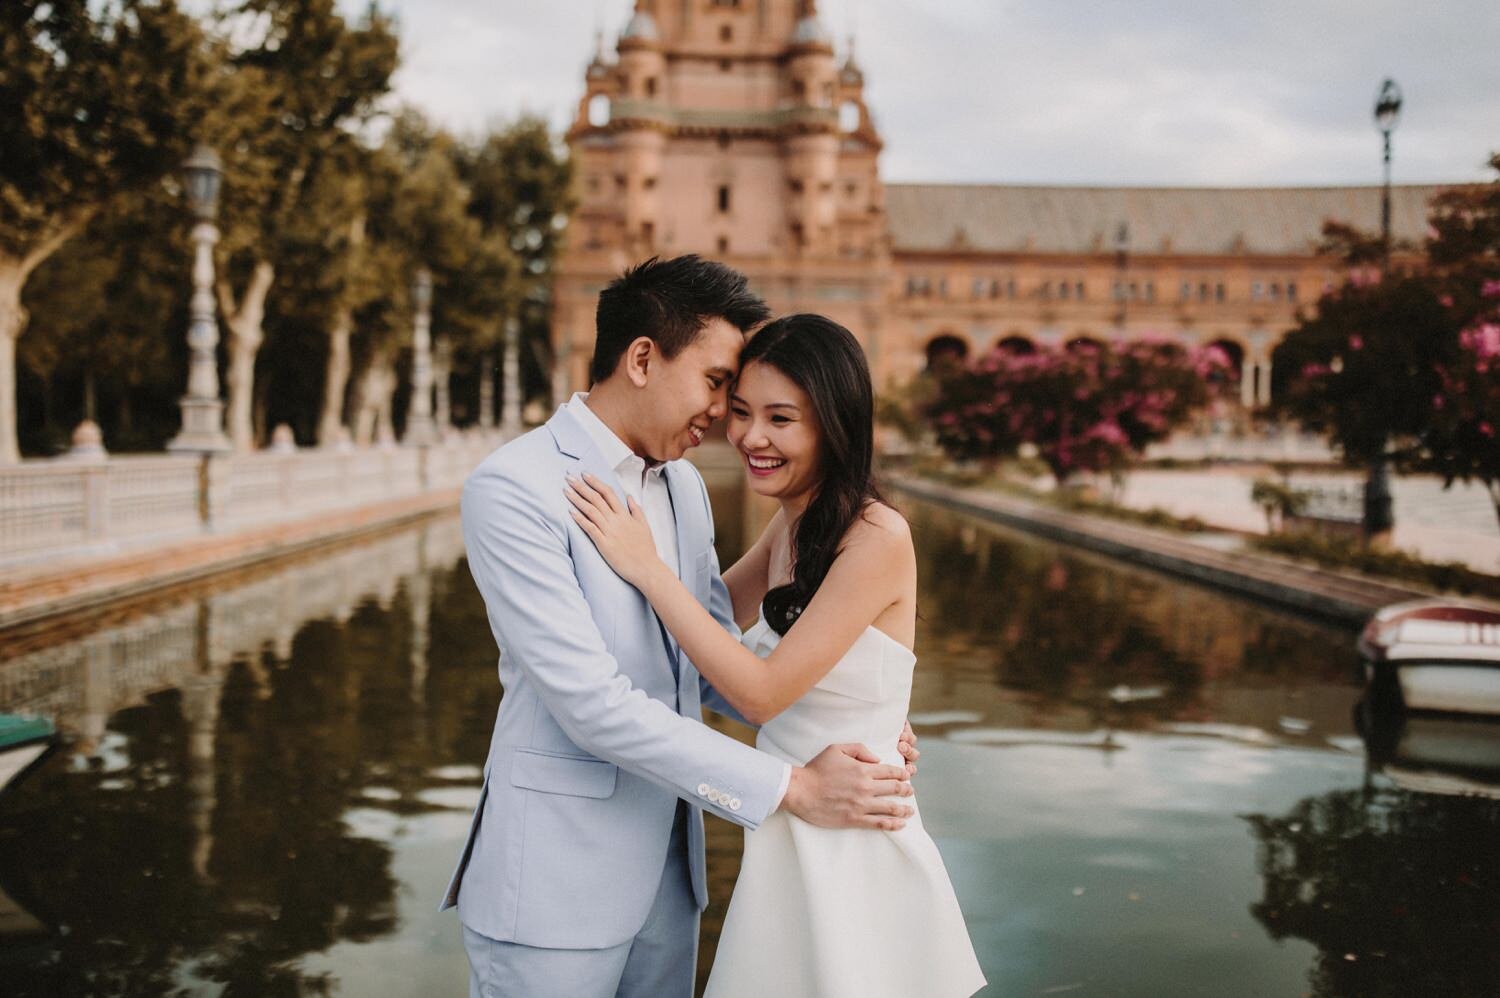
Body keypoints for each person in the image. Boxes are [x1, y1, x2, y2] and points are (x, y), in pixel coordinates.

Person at [444, 257, 919, 998]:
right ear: (641, 359)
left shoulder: (683, 485)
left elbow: (703, 660)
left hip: (670, 880)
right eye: (718, 384)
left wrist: (852, 730)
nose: (726, 416)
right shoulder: (515, 487)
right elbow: (592, 705)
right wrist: (790, 784)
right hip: (554, 885)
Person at [566, 313, 987, 998]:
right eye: (740, 412)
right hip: (796, 817)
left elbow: (761, 694)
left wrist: (648, 568)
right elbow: (700, 638)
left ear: (834, 423)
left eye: (780, 418)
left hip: (850, 834)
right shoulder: (792, 522)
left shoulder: (876, 536)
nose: (750, 438)